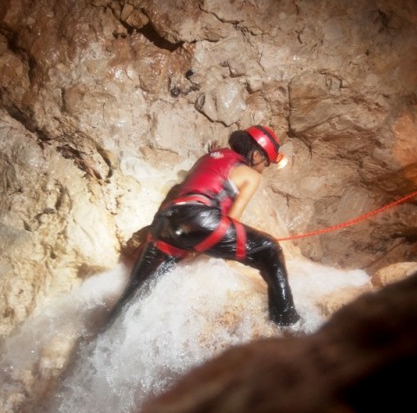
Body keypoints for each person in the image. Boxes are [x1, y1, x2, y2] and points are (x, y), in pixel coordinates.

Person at [106, 125, 301, 327]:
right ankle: (287, 321)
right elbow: (232, 219)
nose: (263, 169)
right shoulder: (251, 175)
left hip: (163, 223)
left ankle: (105, 334)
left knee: (133, 293)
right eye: (266, 163)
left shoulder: (208, 158)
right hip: (198, 218)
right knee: (269, 248)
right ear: (256, 155)